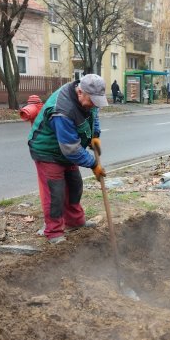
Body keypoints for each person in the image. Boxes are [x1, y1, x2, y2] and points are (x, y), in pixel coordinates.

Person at [28, 74, 108, 244]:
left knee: (75, 185)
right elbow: (71, 150)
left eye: (97, 101)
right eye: (92, 101)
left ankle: (74, 222)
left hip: (68, 148)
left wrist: (95, 135)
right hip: (48, 151)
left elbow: (94, 115)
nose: (94, 105)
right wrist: (94, 164)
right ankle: (54, 231)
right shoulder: (62, 110)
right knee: (55, 192)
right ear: (80, 92)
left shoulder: (88, 100)